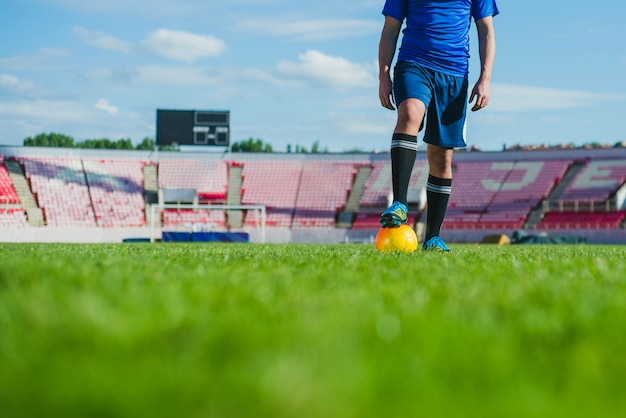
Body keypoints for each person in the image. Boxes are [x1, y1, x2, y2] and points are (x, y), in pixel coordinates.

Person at [378, 0, 498, 252]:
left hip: (454, 74)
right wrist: (383, 75)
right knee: (410, 113)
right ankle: (400, 203)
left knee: (441, 156)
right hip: (413, 64)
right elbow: (390, 28)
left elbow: (485, 29)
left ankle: (432, 237)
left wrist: (485, 78)